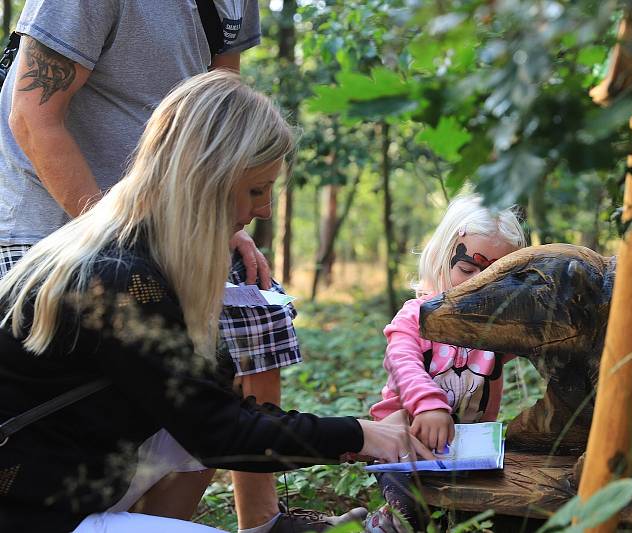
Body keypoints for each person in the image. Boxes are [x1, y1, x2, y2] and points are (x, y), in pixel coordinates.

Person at [0, 71, 433, 533]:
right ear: (205, 180)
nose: (264, 209)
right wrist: (361, 434)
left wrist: (355, 433)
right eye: (255, 189)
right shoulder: (120, 280)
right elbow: (219, 433)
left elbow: (210, 403)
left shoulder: (136, 253)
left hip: (65, 475)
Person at [0, 2, 310, 530]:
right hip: (68, 224)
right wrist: (117, 240)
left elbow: (221, 105)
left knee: (223, 368)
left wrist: (226, 217)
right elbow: (31, 116)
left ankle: (255, 521)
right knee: (92, 408)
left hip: (174, 221)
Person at [365, 195, 527, 532]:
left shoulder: (496, 329)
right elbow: (401, 362)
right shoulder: (416, 317)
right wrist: (426, 405)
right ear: (442, 259)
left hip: (470, 451)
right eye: (467, 269)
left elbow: (540, 348)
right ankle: (381, 524)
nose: (478, 283)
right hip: (404, 444)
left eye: (496, 275)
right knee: (412, 517)